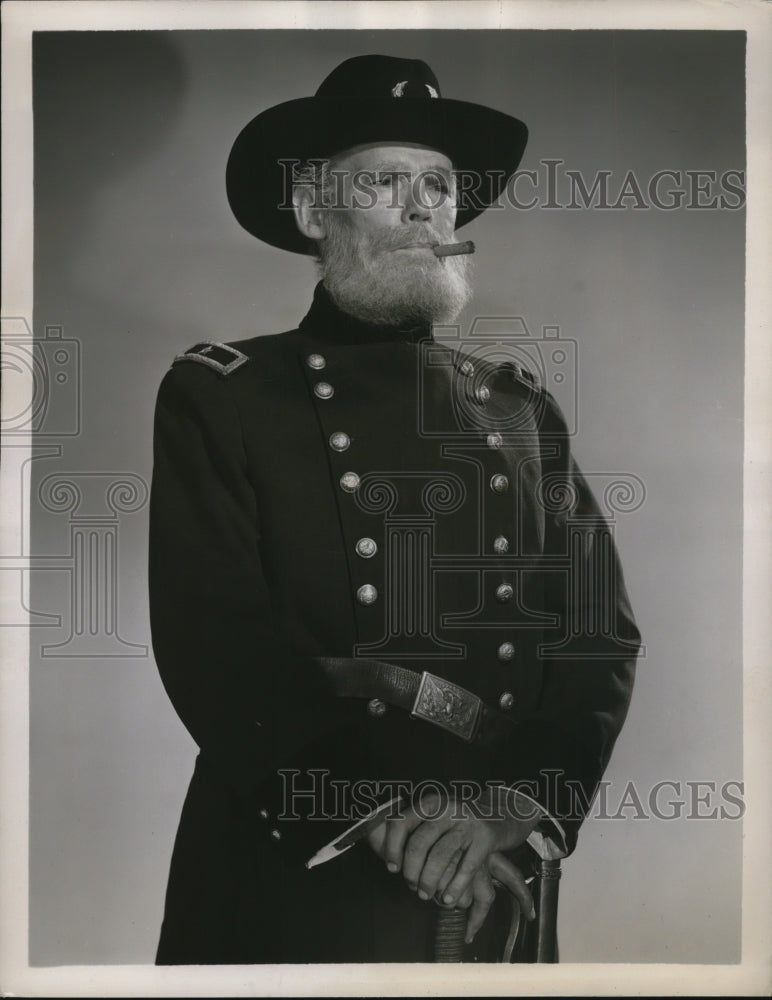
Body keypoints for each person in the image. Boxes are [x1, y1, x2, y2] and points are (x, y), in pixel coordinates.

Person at [149, 54, 640, 964]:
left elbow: (595, 636)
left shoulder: (519, 410)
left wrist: (518, 804)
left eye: (442, 186)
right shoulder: (225, 395)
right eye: (386, 182)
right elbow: (213, 640)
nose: (425, 209)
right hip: (300, 862)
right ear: (312, 212)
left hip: (494, 862)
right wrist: (368, 810)